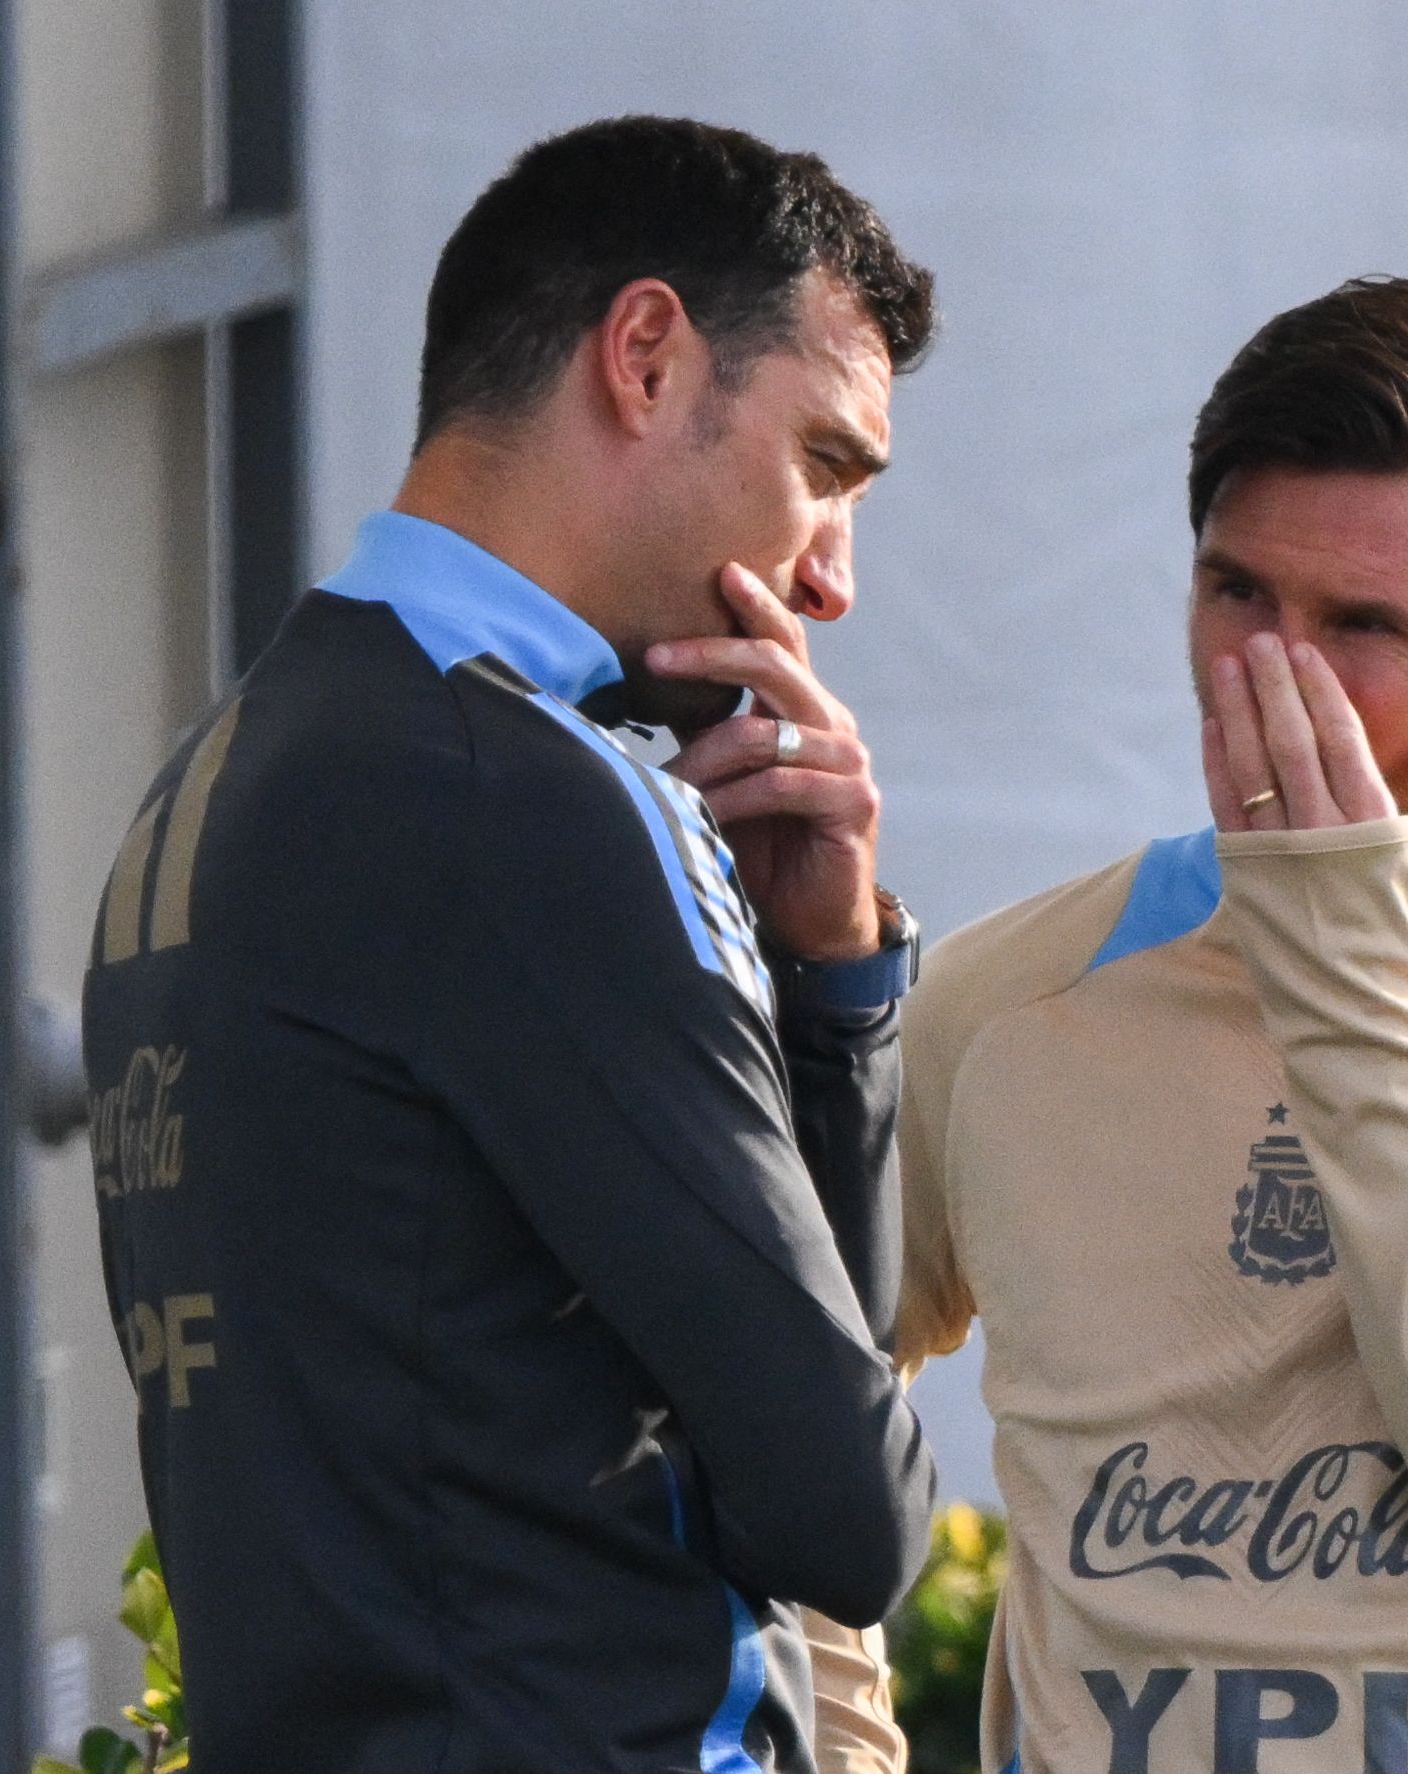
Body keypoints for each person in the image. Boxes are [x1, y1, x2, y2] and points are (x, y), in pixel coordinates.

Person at [81, 116, 939, 1773]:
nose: (829, 573)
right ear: (643, 354)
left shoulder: (215, 775)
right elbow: (849, 1516)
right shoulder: (533, 796)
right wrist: (841, 1017)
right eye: (824, 464)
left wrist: (818, 963)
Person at [812, 277, 1408, 1773]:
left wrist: (1348, 990)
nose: (1269, 678)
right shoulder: (1014, 998)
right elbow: (770, 1423)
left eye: (1361, 625)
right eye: (1236, 593)